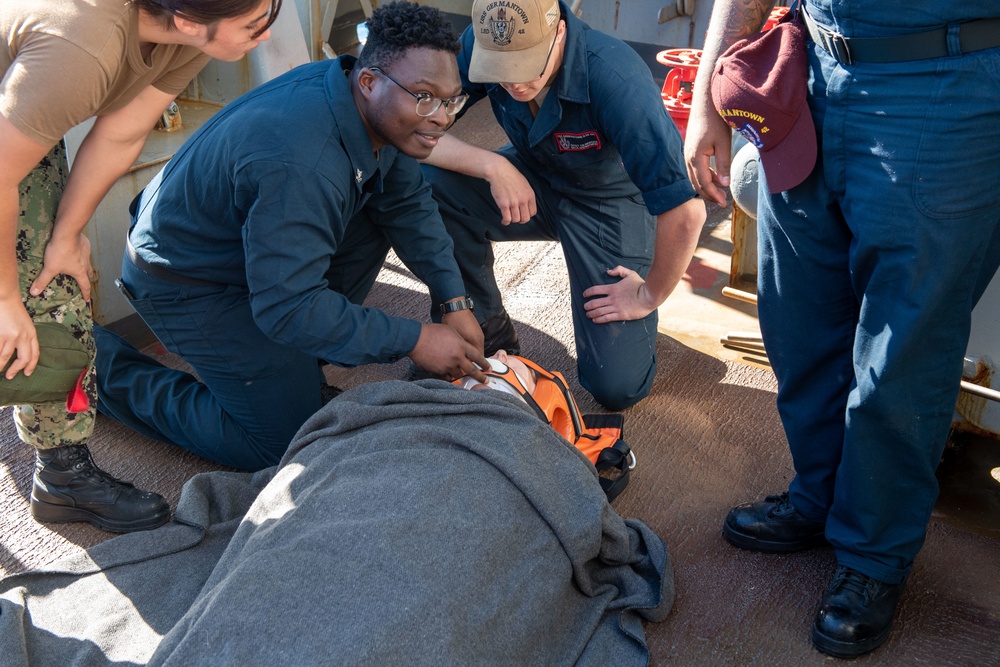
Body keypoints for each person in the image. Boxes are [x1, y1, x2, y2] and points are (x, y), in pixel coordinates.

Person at [684, 0, 1000, 658]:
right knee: (797, 321)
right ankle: (822, 495)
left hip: (946, 81)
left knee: (902, 356)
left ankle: (874, 553)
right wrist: (708, 97)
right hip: (813, 69)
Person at [95, 1, 492, 472]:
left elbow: (407, 205)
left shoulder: (379, 109)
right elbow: (287, 306)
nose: (442, 117)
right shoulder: (304, 162)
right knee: (283, 441)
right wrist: (413, 338)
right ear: (369, 82)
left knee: (379, 214)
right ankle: (97, 366)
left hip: (249, 254)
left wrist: (453, 300)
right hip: (185, 282)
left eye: (451, 101)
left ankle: (290, 361)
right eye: (425, 97)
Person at [1, 0, 281, 533]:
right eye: (253, 25)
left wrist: (66, 235)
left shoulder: (187, 33)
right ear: (188, 20)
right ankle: (62, 475)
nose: (264, 37)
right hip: (11, 129)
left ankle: (60, 475)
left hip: (18, 123)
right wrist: (5, 298)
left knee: (57, 280)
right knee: (33, 308)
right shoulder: (82, 50)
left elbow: (121, 134)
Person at [419, 0, 706, 411]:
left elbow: (686, 211)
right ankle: (488, 332)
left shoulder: (616, 78)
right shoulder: (483, 41)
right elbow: (415, 131)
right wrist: (492, 165)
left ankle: (633, 327)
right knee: (429, 187)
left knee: (617, 386)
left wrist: (648, 295)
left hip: (607, 202)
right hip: (534, 173)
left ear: (560, 33)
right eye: (501, 70)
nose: (515, 85)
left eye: (528, 66)